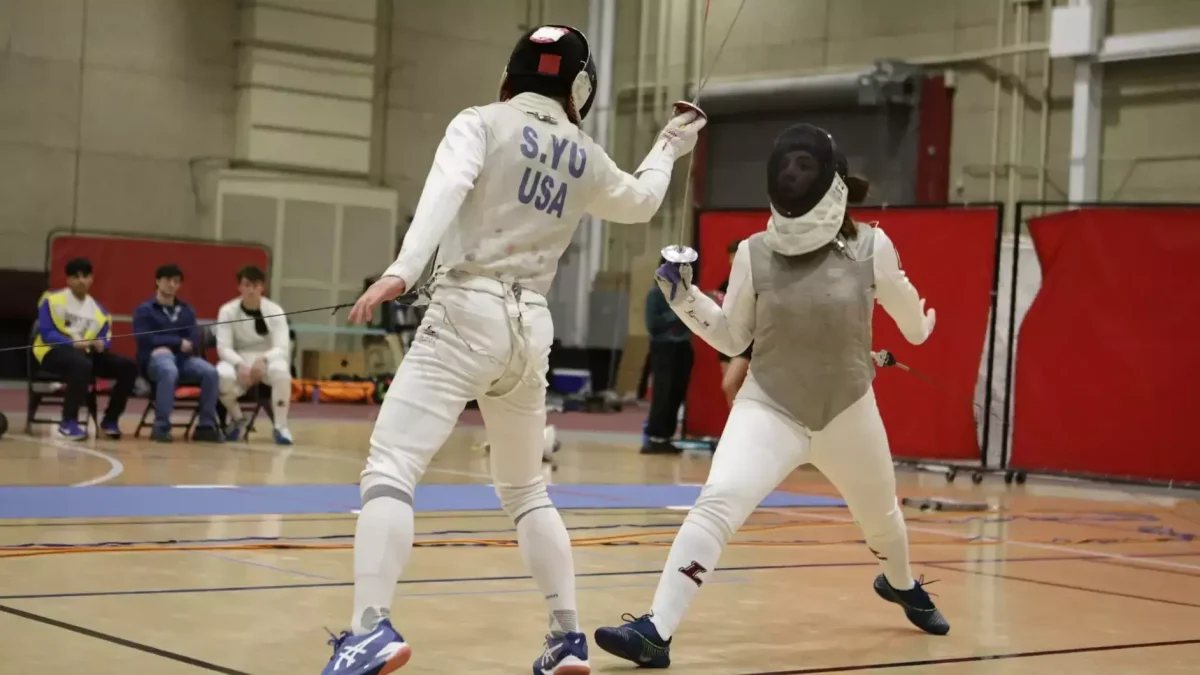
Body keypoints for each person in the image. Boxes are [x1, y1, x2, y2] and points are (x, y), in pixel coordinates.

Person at [320, 25, 705, 675]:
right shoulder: (583, 153)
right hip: (530, 331)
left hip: (465, 313)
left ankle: (369, 629)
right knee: (527, 490)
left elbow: (445, 190)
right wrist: (671, 143)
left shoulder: (480, 122)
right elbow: (641, 203)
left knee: (391, 467)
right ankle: (567, 636)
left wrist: (402, 270)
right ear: (578, 87)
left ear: (512, 73)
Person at [594, 124, 946, 669]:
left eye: (804, 169)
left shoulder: (871, 245)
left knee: (882, 520)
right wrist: (683, 297)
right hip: (770, 406)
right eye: (788, 168)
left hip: (849, 410)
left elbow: (907, 318)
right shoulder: (754, 252)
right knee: (717, 504)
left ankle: (901, 584)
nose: (792, 175)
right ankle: (655, 632)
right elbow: (735, 336)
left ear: (831, 184)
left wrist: (922, 327)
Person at [33, 257, 138, 440]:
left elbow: (106, 340)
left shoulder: (101, 311)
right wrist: (73, 343)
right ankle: (68, 422)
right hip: (53, 352)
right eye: (76, 276)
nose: (81, 280)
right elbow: (47, 332)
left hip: (86, 356)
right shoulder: (51, 300)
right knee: (80, 365)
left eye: (85, 276)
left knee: (128, 366)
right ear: (68, 280)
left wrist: (101, 345)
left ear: (92, 279)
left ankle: (110, 420)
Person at [133, 264, 222, 443]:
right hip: (154, 360)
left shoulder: (187, 311)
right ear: (157, 281)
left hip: (183, 359)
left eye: (176, 281)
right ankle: (161, 427)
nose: (172, 285)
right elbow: (145, 338)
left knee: (211, 372)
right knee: (168, 369)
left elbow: (194, 337)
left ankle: (205, 426)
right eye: (167, 280)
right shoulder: (145, 310)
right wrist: (177, 342)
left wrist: (181, 345)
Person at [215, 265, 293, 445]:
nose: (251, 290)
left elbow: (282, 346)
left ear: (262, 287)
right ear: (239, 287)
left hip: (267, 358)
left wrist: (263, 360)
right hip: (239, 357)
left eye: (255, 285)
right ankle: (238, 420)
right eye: (247, 285)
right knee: (220, 376)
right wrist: (239, 364)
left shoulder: (275, 311)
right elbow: (223, 347)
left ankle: (281, 427)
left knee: (282, 372)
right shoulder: (227, 311)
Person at [642, 256, 693, 454]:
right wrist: (677, 313)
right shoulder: (655, 293)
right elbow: (652, 324)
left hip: (682, 347)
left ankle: (667, 436)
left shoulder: (685, 293)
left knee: (677, 393)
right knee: (663, 392)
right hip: (663, 347)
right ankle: (654, 436)